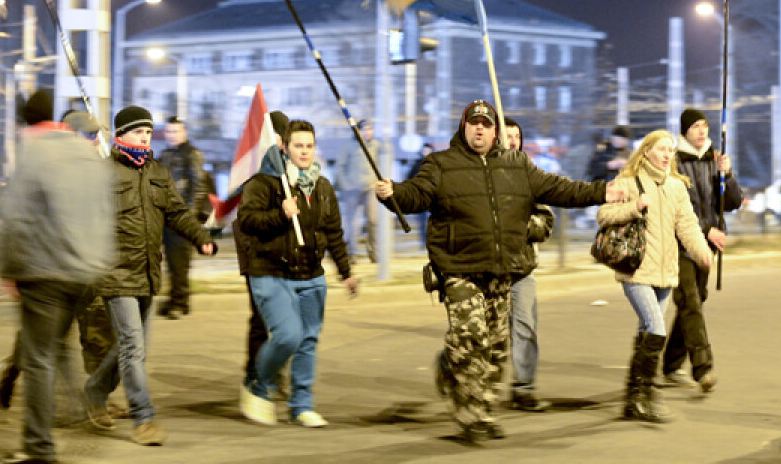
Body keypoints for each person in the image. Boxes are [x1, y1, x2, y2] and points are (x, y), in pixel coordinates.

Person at [373, 99, 622, 442]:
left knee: (495, 346)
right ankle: (470, 413)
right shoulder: (440, 164)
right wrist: (393, 193)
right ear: (464, 127)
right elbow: (417, 195)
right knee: (471, 337)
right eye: (473, 123)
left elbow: (559, 188)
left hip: (501, 269)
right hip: (459, 269)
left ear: (494, 131)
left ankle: (483, 408)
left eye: (486, 124)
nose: (479, 129)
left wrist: (600, 191)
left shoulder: (517, 164)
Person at [83, 106, 217, 446]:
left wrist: (201, 238)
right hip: (116, 275)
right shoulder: (104, 173)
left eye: (148, 132)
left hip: (147, 274)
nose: (145, 137)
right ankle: (144, 419)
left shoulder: (157, 171)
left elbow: (177, 212)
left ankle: (96, 390)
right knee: (132, 347)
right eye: (138, 132)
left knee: (134, 348)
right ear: (121, 136)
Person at [0, 90, 115, 464]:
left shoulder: (37, 152)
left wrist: (8, 269)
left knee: (40, 360)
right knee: (54, 350)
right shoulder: (90, 156)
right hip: (84, 273)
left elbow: (16, 216)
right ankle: (69, 416)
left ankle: (39, 448)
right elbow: (105, 214)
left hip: (43, 272)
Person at [237, 119, 359, 428]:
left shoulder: (322, 185)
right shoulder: (265, 182)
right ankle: (258, 386)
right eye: (298, 146)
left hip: (311, 275)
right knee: (288, 336)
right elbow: (248, 221)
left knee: (307, 340)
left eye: (309, 146)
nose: (304, 152)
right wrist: (281, 214)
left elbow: (334, 233)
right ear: (286, 148)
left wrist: (346, 272)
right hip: (271, 272)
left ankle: (302, 404)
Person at [595, 130, 712, 423]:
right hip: (636, 271)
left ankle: (633, 400)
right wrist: (634, 207)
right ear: (646, 151)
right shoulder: (628, 182)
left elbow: (688, 226)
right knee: (656, 329)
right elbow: (604, 216)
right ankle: (649, 396)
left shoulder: (676, 187)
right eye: (661, 149)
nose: (666, 154)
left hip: (665, 272)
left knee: (646, 333)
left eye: (670, 150)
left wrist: (701, 252)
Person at [663, 108, 745, 392]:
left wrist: (728, 174)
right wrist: (705, 228)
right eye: (695, 126)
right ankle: (703, 368)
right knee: (690, 301)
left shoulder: (715, 160)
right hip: (680, 245)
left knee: (693, 301)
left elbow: (733, 201)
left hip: (707, 247)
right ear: (684, 131)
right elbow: (673, 209)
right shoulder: (672, 162)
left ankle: (671, 365)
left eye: (705, 126)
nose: (701, 131)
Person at [502, 117, 556, 412]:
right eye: (507, 135)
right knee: (479, 332)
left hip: (521, 267)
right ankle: (451, 367)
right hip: (488, 268)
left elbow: (546, 218)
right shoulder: (484, 174)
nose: (512, 141)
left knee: (524, 326)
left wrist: (525, 225)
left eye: (516, 136)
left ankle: (524, 388)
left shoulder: (528, 173)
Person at [234, 109, 289, 391]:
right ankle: (254, 373)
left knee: (284, 320)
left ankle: (274, 371)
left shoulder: (291, 171)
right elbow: (247, 219)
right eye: (273, 135)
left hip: (284, 256)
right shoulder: (254, 172)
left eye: (280, 136)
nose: (277, 141)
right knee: (261, 318)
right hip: (256, 254)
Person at [157, 116, 212, 318]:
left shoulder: (192, 155)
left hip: (181, 219)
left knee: (180, 263)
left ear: (184, 132)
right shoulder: (165, 155)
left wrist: (187, 218)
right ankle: (177, 300)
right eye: (169, 131)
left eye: (175, 131)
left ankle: (179, 303)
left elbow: (198, 187)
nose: (171, 135)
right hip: (165, 217)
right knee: (171, 263)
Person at [335, 119, 381, 262]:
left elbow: (382, 165)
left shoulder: (377, 146)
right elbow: (340, 167)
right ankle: (353, 253)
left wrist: (379, 183)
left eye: (370, 129)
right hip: (352, 189)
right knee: (352, 223)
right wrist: (346, 184)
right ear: (358, 131)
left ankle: (373, 251)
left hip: (371, 188)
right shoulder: (349, 147)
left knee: (373, 220)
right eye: (364, 129)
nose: (367, 132)